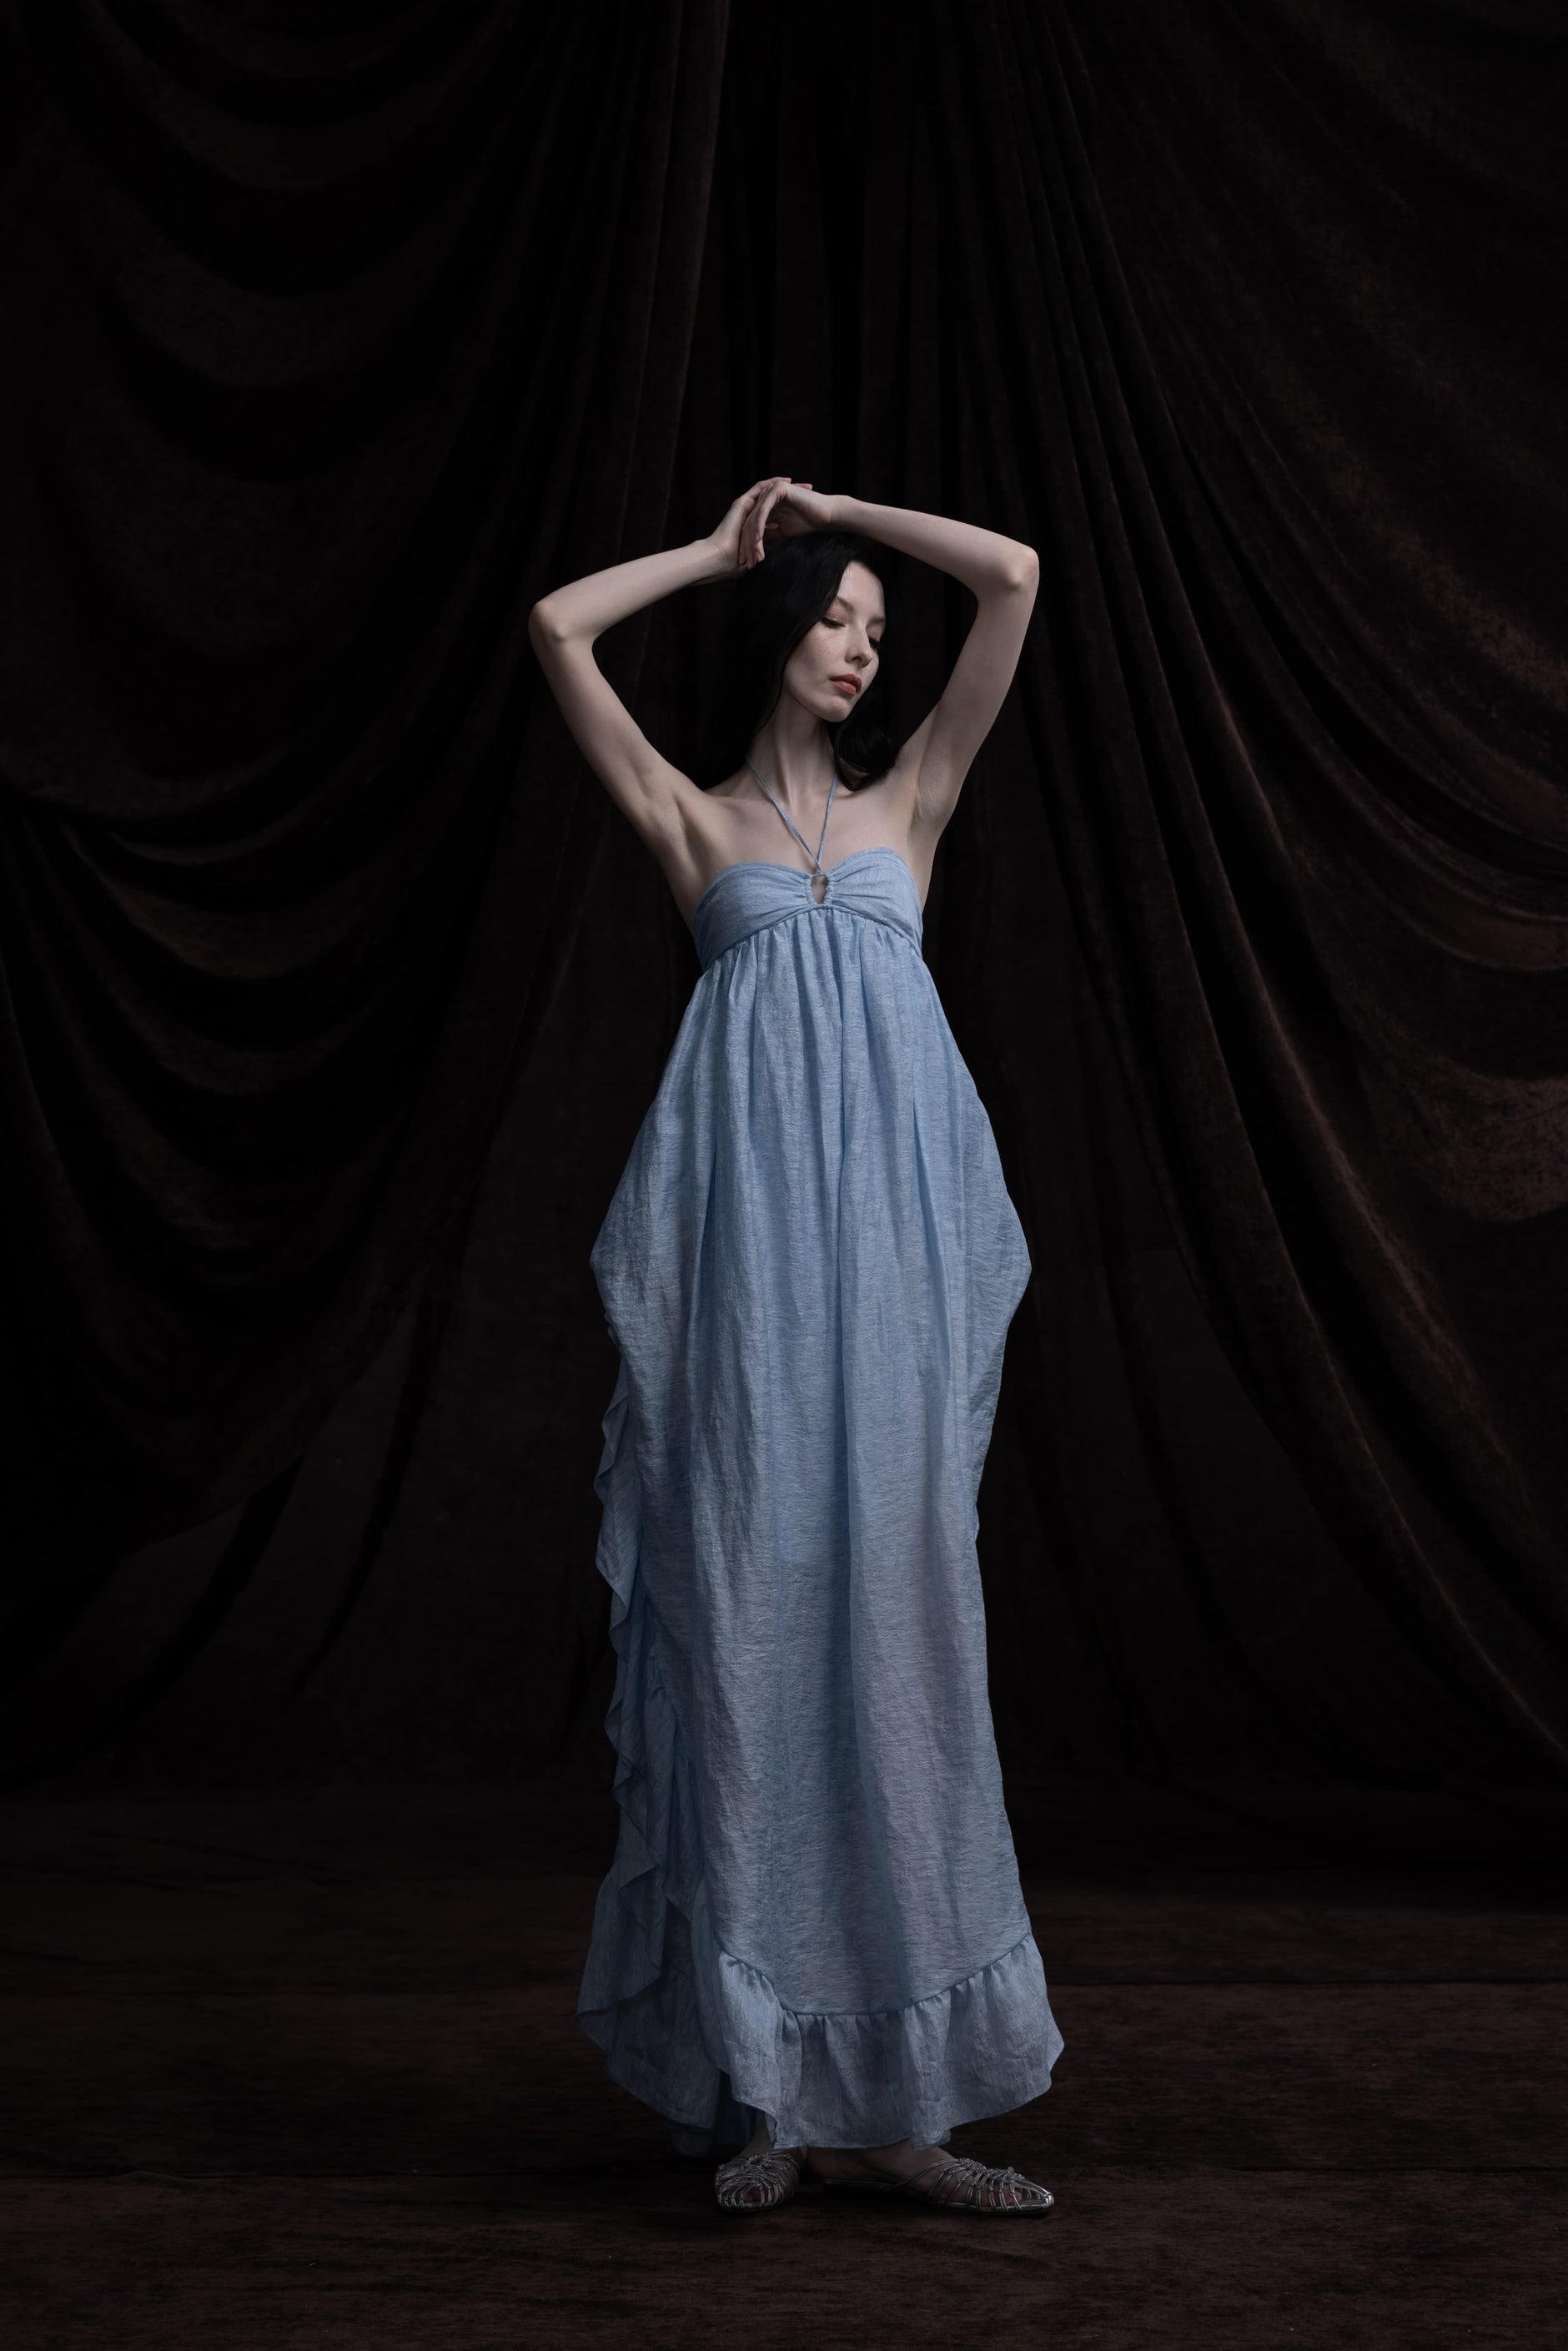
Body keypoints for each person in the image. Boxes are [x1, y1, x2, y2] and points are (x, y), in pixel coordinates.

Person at [529, 478, 1063, 2216]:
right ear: (776, 628)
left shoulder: (913, 801)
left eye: (877, 631)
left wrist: (849, 513)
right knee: (753, 1654)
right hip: (753, 1321)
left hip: (891, 1310)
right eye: (836, 616)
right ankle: (768, 2090)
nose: (861, 648)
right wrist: (720, 551)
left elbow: (1015, 576)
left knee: (906, 1664)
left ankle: (903, 2109)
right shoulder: (695, 826)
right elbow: (554, 627)